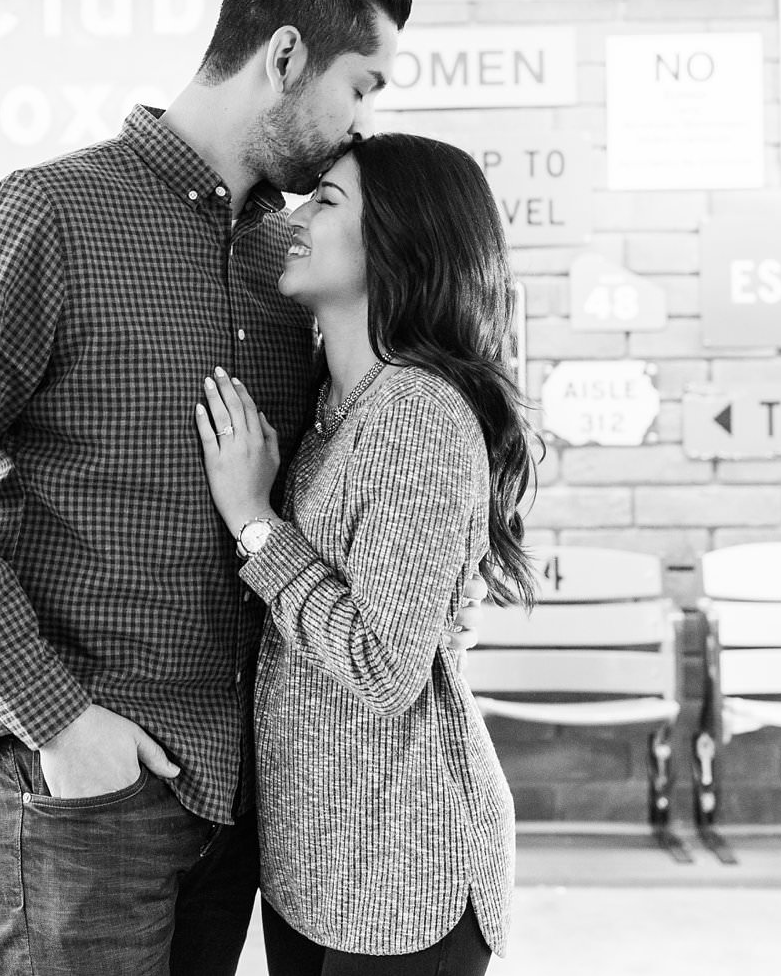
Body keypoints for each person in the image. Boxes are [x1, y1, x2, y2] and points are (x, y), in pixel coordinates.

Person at [0, 0, 416, 976]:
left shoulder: (285, 264)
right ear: (286, 58)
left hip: (242, 799)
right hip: (87, 795)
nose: (361, 124)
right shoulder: (53, 215)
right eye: (363, 85)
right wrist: (59, 723)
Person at [195, 133, 535, 976]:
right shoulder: (333, 404)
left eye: (328, 202)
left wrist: (252, 519)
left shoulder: (417, 413)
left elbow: (386, 666)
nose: (297, 217)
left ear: (396, 239)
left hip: (404, 873)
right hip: (315, 866)